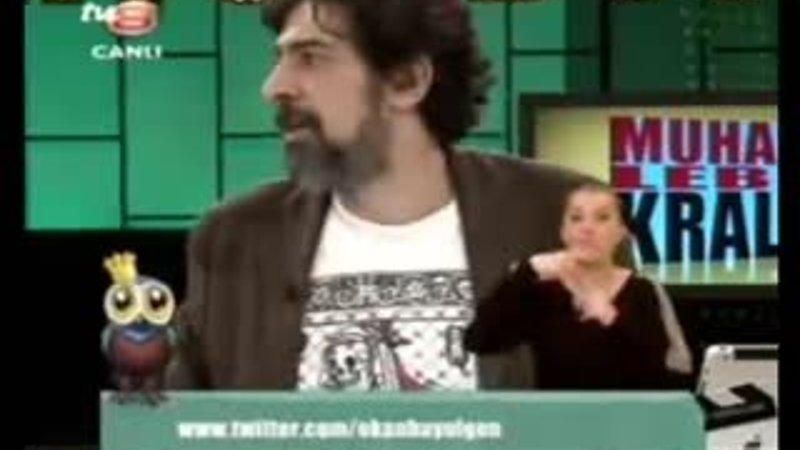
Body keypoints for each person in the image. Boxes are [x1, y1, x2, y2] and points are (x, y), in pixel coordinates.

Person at [165, 0, 690, 390]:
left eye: (310, 57)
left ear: (407, 80)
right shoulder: (234, 239)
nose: (275, 86)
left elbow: (639, 416)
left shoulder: (560, 215)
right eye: (281, 58)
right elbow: (174, 424)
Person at [464, 182, 689, 389]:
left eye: (602, 218)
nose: (587, 228)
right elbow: (479, 340)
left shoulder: (643, 291)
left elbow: (659, 380)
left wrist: (610, 318)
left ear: (621, 232)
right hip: (558, 417)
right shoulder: (543, 292)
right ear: (564, 231)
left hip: (626, 418)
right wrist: (528, 270)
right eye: (576, 218)